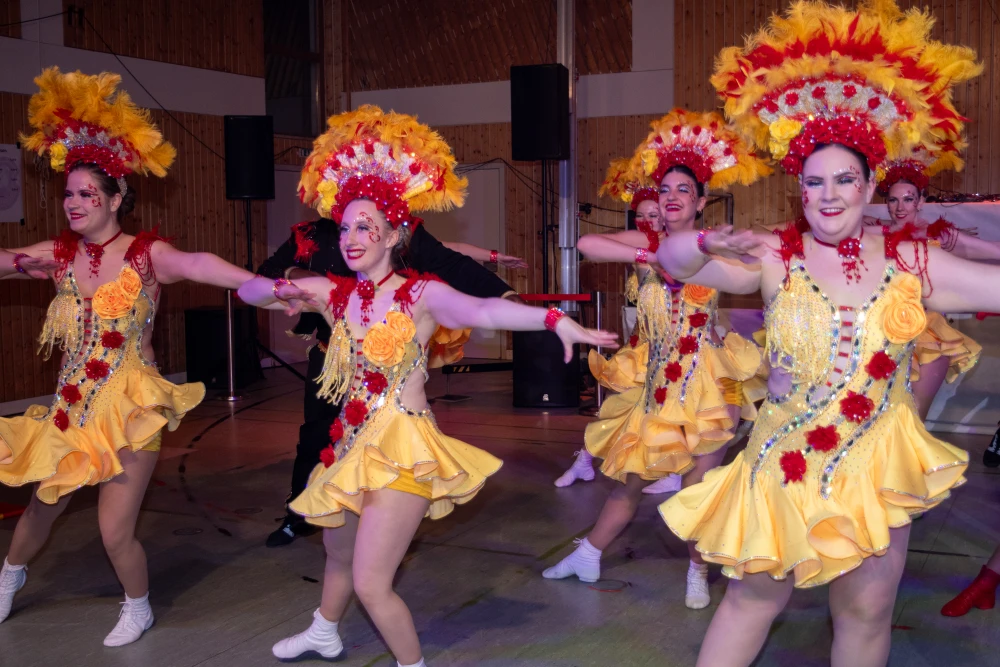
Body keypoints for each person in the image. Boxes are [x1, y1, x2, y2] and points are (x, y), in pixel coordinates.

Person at [656, 3, 988, 664]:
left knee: (865, 612)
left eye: (844, 180)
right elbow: (672, 261)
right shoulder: (773, 256)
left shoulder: (912, 261)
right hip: (781, 462)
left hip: (874, 468)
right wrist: (700, 242)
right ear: (800, 189)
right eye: (814, 182)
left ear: (869, 185)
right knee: (750, 600)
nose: (829, 195)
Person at [239, 106, 617, 667]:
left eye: (366, 226)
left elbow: (484, 310)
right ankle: (324, 630)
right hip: (350, 445)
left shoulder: (421, 295)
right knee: (337, 554)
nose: (351, 237)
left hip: (403, 451)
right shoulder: (336, 295)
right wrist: (285, 287)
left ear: (395, 234)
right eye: (346, 227)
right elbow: (249, 291)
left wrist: (554, 319)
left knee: (372, 582)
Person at [0, 68, 255, 646]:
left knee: (114, 529)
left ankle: (137, 607)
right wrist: (16, 261)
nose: (73, 203)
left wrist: (261, 285)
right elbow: (5, 257)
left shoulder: (146, 254)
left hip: (131, 407)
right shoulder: (58, 255)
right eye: (68, 193)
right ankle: (9, 577)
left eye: (86, 194)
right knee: (42, 508)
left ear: (116, 199)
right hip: (72, 407)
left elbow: (198, 265)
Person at [543, 110, 769, 609]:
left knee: (696, 488)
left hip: (710, 381)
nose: (671, 197)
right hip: (659, 386)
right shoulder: (645, 244)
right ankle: (588, 555)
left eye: (684, 190)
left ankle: (697, 571)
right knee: (630, 482)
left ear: (701, 201)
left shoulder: (714, 248)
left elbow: (759, 269)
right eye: (665, 189)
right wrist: (652, 257)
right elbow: (586, 243)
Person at [257, 190, 521, 549]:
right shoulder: (309, 234)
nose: (351, 234)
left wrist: (506, 295)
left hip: (387, 359)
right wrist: (299, 278)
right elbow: (266, 273)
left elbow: (451, 262)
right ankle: (298, 515)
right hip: (332, 357)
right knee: (317, 435)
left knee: (387, 446)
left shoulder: (397, 230)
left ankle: (385, 528)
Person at [554, 159, 680, 493]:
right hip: (645, 342)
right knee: (618, 403)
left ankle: (672, 470)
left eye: (653, 214)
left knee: (672, 405)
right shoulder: (642, 241)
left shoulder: (680, 241)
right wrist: (645, 255)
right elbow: (588, 244)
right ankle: (585, 459)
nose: (646, 220)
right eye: (640, 215)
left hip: (678, 342)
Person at [870, 148, 986, 419]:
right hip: (877, 332)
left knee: (914, 419)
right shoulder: (873, 235)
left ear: (921, 201)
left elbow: (989, 250)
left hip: (927, 333)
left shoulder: (940, 236)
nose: (900, 208)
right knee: (876, 420)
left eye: (908, 199)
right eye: (893, 200)